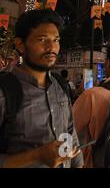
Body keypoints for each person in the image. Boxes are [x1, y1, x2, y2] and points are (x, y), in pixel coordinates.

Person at [0, 9, 83, 168]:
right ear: (20, 45)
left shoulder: (61, 86)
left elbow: (70, 133)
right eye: (42, 39)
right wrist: (36, 155)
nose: (52, 47)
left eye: (56, 40)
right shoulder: (5, 91)